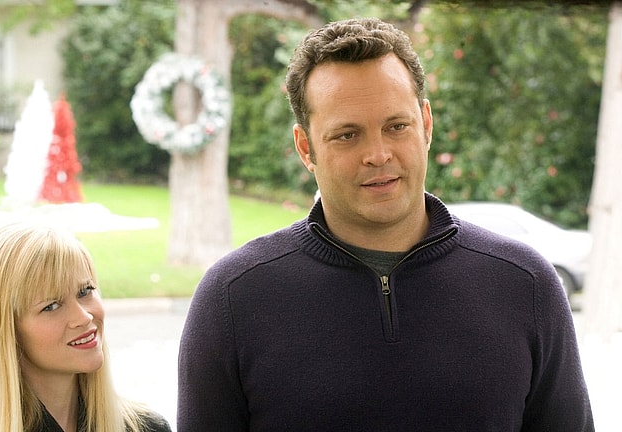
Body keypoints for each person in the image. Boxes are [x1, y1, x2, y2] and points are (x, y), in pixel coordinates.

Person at [177, 17, 594, 431]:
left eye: (396, 126)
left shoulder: (525, 285)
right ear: (305, 148)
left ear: (426, 125)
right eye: (347, 135)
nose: (378, 154)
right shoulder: (233, 298)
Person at [0, 223, 171, 432]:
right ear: (5, 331)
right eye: (51, 306)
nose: (83, 317)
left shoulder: (147, 428)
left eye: (85, 291)